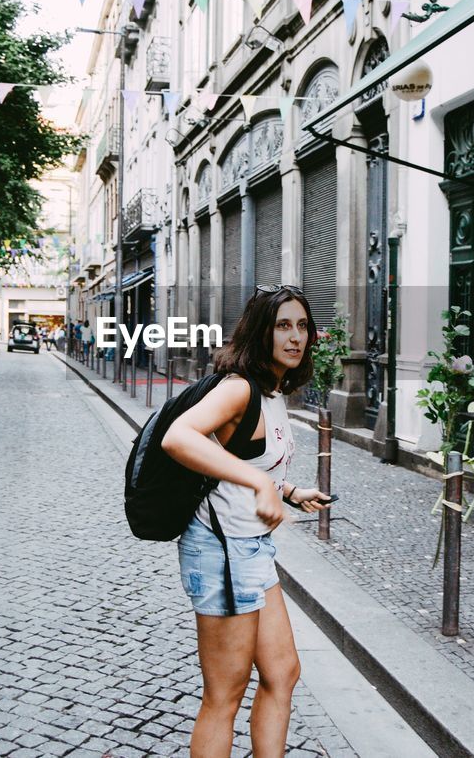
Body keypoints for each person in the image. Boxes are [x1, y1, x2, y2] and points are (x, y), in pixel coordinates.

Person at [160, 286, 332, 758]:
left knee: (283, 673)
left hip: (252, 549)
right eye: (283, 326)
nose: (296, 337)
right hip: (220, 549)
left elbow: (250, 463)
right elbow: (178, 438)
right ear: (261, 332)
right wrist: (259, 488)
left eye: (302, 326)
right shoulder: (239, 388)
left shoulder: (275, 391)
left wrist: (288, 492)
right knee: (225, 693)